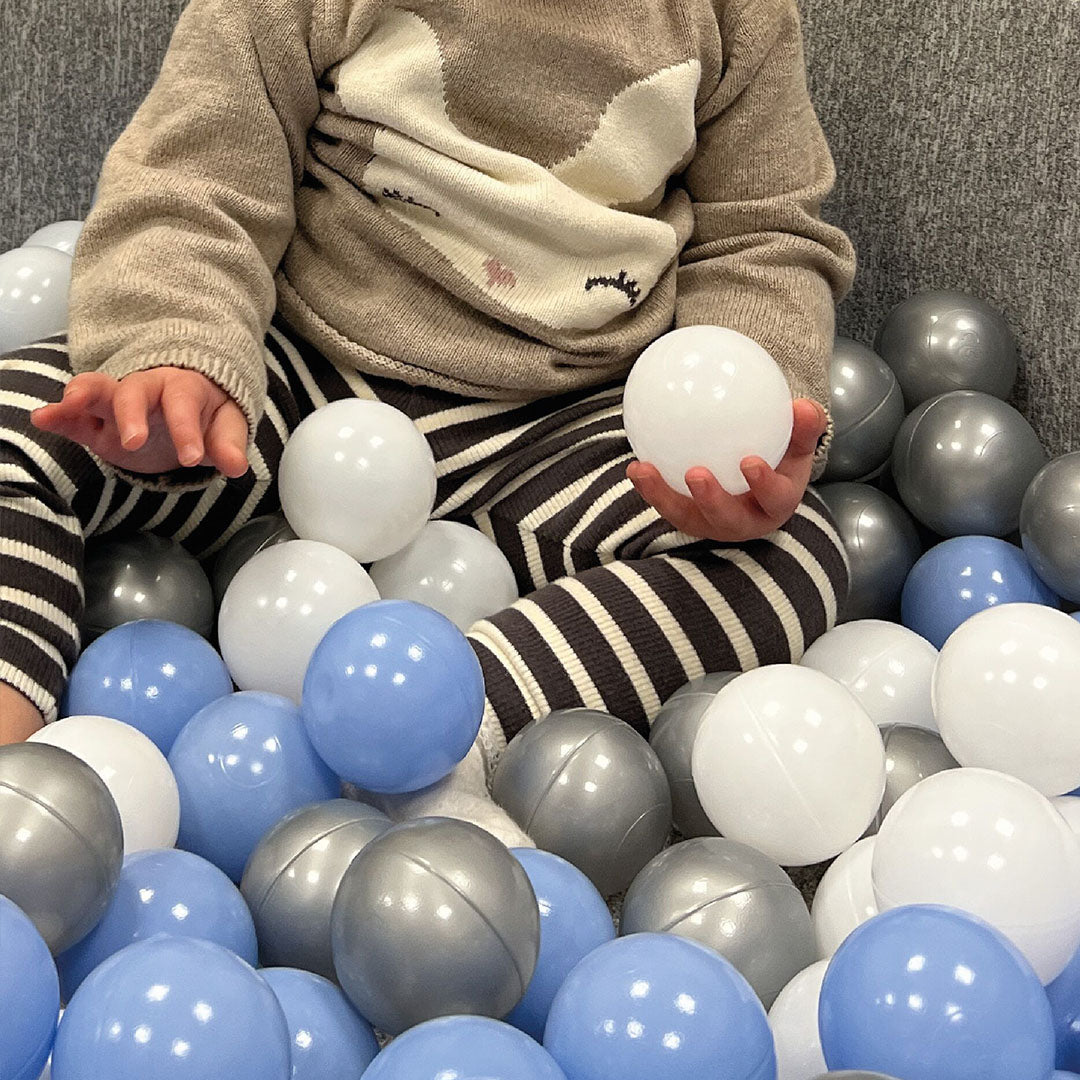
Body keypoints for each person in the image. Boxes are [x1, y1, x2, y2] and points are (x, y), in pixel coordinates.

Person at [0, 0, 854, 842]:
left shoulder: (733, 16)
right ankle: (15, 778)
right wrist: (176, 353)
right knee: (15, 432)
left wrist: (749, 437)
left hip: (557, 431)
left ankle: (423, 751)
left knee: (791, 561)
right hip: (304, 387)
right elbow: (197, 174)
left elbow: (761, 237)